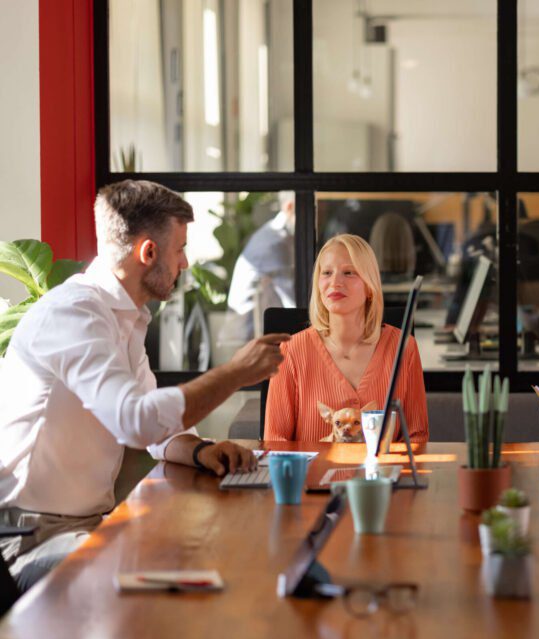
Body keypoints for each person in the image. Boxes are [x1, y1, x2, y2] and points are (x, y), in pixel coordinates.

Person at [0, 180, 288, 589]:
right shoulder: (74, 315)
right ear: (148, 252)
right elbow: (135, 422)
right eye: (180, 249)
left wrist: (202, 450)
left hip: (85, 526)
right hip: (30, 539)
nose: (184, 263)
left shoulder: (124, 318)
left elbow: (157, 428)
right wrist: (236, 373)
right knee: (166, 573)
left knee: (208, 547)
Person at [264, 234, 429, 442]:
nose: (335, 282)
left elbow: (416, 436)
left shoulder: (404, 347)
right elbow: (275, 440)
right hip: (314, 466)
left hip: (382, 465)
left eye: (349, 273)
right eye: (327, 273)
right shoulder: (292, 351)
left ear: (369, 287)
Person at [225, 191, 297, 341]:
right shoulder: (276, 241)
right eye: (314, 210)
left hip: (253, 331)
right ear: (290, 207)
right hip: (247, 336)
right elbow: (292, 302)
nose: (318, 219)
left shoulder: (276, 234)